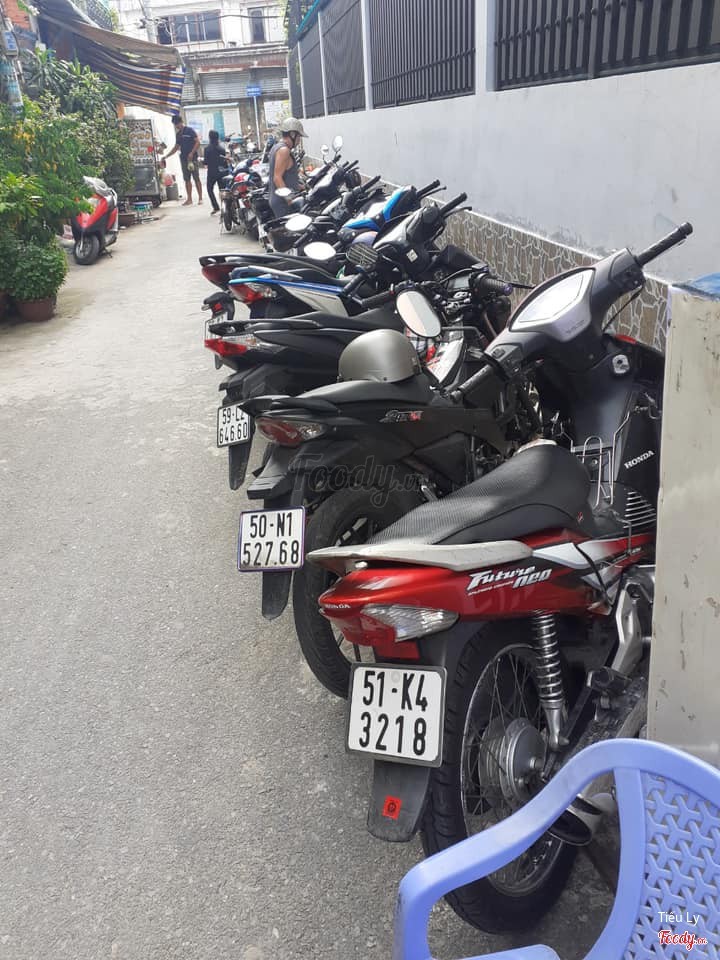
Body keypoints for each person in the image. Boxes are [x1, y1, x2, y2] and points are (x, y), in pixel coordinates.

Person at [268, 117, 307, 218]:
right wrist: (290, 200)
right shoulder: (284, 150)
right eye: (298, 137)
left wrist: (300, 187)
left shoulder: (277, 147)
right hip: (283, 203)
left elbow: (286, 176)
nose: (299, 141)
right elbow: (277, 178)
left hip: (280, 200)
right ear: (292, 134)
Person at [163, 115, 203, 206]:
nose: (176, 126)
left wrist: (192, 153)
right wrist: (166, 156)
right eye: (175, 124)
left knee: (196, 178)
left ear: (181, 122)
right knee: (187, 179)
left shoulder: (190, 131)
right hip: (184, 159)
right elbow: (176, 147)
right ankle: (189, 199)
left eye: (177, 124)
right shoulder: (178, 134)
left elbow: (198, 142)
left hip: (192, 159)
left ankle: (200, 198)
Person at [203, 130, 227, 215]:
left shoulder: (207, 149)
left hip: (212, 172)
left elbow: (205, 162)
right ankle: (225, 207)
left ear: (209, 138)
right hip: (222, 172)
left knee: (209, 189)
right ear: (218, 137)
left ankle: (215, 207)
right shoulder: (222, 149)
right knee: (222, 190)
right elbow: (224, 161)